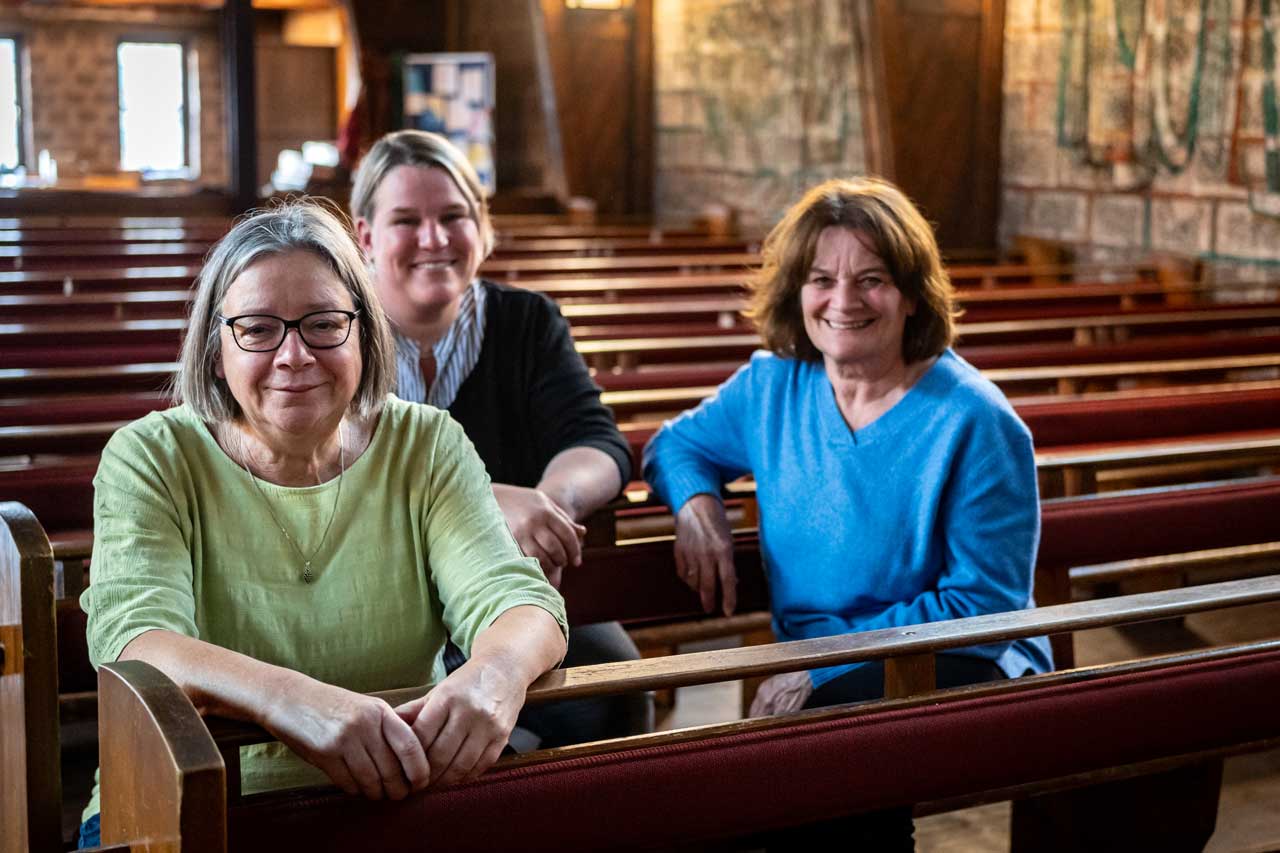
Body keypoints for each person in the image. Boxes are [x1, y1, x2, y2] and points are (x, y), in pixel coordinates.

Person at [76, 201, 567, 848]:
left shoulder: (424, 443)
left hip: (393, 796)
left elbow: (520, 599)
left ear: (363, 331)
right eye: (257, 328)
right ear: (215, 345)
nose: (294, 355)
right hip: (192, 802)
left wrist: (497, 671)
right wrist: (291, 700)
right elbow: (138, 640)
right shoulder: (153, 456)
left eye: (324, 324)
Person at [643, 177, 1052, 848]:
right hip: (815, 664)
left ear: (913, 291)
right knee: (737, 785)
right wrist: (696, 504)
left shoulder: (975, 420)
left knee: (825, 763)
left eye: (873, 278)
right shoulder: (773, 384)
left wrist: (824, 663)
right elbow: (675, 444)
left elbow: (987, 608)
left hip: (960, 660)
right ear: (796, 291)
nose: (843, 301)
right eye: (820, 278)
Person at [350, 130, 651, 748]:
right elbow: (332, 476)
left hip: (510, 599)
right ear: (365, 236)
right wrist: (483, 505)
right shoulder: (336, 333)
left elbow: (597, 441)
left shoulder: (526, 322)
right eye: (406, 220)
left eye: (453, 216)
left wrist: (551, 501)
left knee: (617, 694)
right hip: (374, 602)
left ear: (481, 224)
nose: (434, 239)